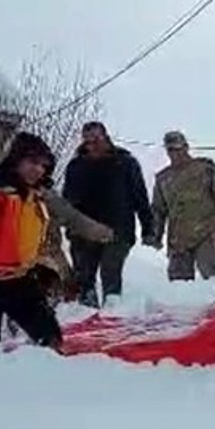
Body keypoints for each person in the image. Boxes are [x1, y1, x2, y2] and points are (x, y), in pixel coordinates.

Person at [0, 132, 114, 347]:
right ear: (16, 159)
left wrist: (102, 232)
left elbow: (71, 216)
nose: (38, 169)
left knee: (51, 340)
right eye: (32, 162)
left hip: (18, 279)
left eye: (43, 165)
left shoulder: (39, 195)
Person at [62, 121, 155, 307]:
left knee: (110, 273)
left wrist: (148, 228)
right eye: (88, 141)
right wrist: (70, 228)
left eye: (97, 139)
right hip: (84, 232)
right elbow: (67, 202)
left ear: (106, 137)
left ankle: (112, 313)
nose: (93, 145)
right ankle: (87, 316)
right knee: (84, 278)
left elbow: (140, 197)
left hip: (118, 230)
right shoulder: (76, 166)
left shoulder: (125, 163)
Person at [150, 130, 215, 281]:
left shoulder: (205, 168)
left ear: (186, 147)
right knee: (177, 285)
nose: (175, 153)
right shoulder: (163, 179)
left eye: (178, 149)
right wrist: (155, 236)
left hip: (206, 233)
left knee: (209, 279)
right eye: (170, 150)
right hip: (178, 240)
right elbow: (158, 210)